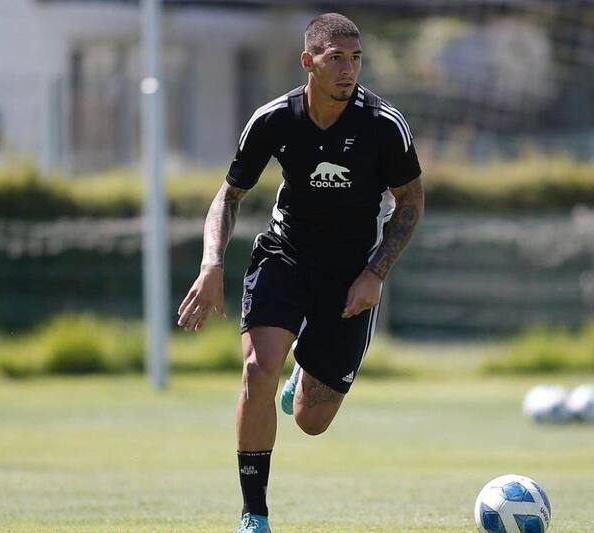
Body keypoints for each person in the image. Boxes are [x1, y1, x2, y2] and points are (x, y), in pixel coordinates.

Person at [176, 13, 424, 533]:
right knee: (256, 368)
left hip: (352, 273)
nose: (348, 70)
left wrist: (376, 272)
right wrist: (212, 264)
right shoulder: (274, 120)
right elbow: (231, 195)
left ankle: (303, 379)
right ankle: (254, 514)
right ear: (308, 61)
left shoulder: (383, 124)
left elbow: (410, 202)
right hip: (284, 256)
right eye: (336, 58)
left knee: (311, 421)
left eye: (355, 59)